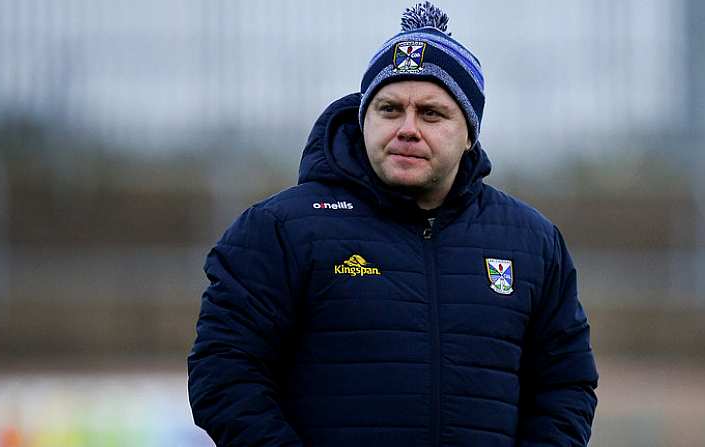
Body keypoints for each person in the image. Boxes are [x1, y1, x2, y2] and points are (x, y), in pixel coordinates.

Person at [188, 2, 598, 446]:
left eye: (431, 114)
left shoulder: (532, 243)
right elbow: (223, 370)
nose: (406, 128)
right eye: (388, 109)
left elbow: (565, 384)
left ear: (469, 134)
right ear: (364, 118)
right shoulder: (280, 229)